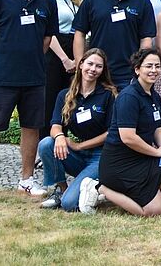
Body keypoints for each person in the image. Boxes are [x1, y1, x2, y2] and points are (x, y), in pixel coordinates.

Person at [81, 48, 161, 216]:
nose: (154, 70)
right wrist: (157, 152)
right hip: (120, 164)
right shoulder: (129, 97)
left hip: (142, 159)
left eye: (157, 66)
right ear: (137, 69)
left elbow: (157, 129)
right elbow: (128, 138)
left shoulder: (154, 96)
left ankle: (131, 192)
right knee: (154, 211)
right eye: (149, 66)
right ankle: (99, 188)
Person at [0, 0, 59, 195]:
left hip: (34, 77)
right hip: (2, 76)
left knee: (31, 127)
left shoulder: (47, 2)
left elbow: (46, 38)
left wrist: (30, 58)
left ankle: (26, 179)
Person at [38, 48, 116, 211]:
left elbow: (111, 132)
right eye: (90, 64)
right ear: (81, 65)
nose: (93, 69)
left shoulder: (108, 95)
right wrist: (59, 136)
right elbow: (55, 125)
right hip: (76, 156)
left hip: (99, 156)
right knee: (46, 143)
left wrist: (79, 146)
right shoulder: (65, 95)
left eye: (98, 66)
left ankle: (93, 190)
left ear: (103, 71)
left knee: (69, 205)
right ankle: (61, 189)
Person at [74, 0, 156, 87]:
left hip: (127, 75)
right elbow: (80, 33)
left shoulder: (143, 2)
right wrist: (80, 65)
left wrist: (139, 68)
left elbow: (146, 39)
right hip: (96, 72)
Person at [44, 0, 83, 139]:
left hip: (72, 47)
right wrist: (65, 59)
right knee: (50, 98)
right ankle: (43, 143)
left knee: (67, 98)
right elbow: (47, 32)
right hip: (54, 51)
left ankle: (61, 139)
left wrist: (77, 59)